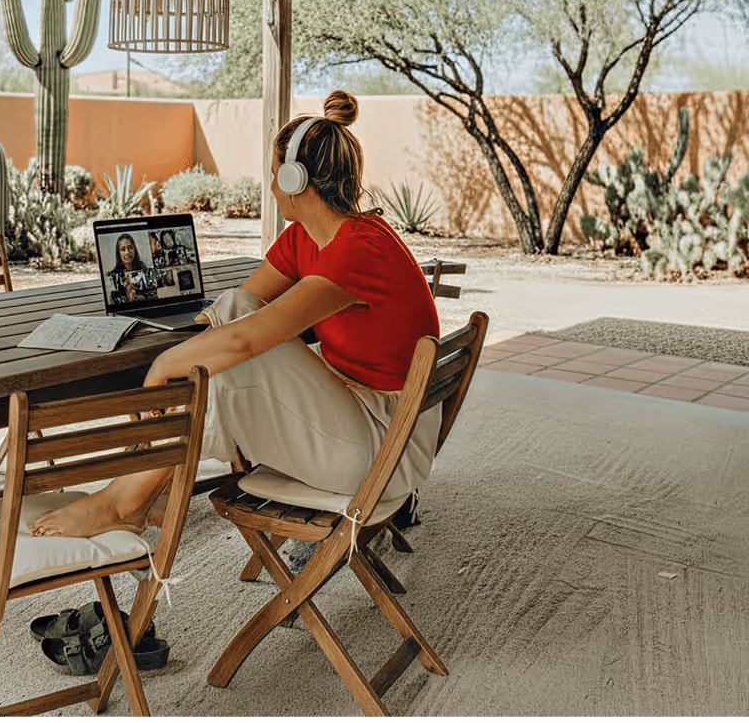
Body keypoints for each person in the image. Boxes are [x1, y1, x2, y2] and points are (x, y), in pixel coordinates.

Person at [31, 90, 441, 538]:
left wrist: (165, 365)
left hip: (385, 449)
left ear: (293, 180)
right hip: (362, 417)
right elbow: (239, 305)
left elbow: (246, 340)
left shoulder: (358, 251)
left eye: (273, 175)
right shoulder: (310, 237)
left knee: (229, 360)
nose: (269, 187)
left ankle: (124, 499)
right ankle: (154, 478)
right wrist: (192, 344)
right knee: (231, 325)